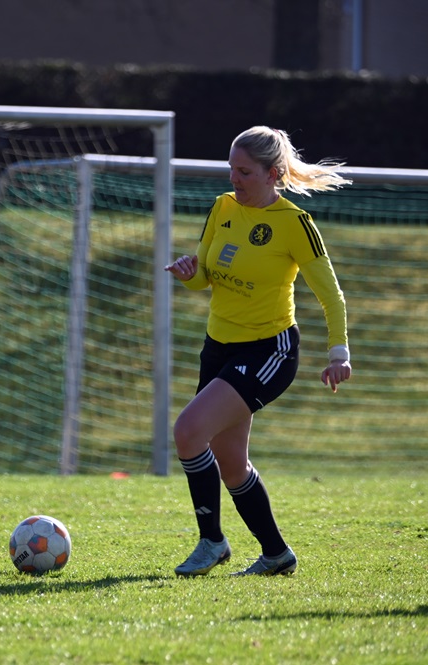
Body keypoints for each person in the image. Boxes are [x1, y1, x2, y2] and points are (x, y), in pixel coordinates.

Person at [164, 126, 352, 576]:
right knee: (232, 465)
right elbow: (205, 277)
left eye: (245, 171)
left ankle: (211, 542)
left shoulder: (295, 224)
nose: (234, 178)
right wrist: (189, 273)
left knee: (188, 431)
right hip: (218, 346)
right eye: (231, 168)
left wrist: (338, 353)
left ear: (273, 174)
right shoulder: (222, 208)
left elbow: (331, 295)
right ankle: (277, 555)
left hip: (270, 350)